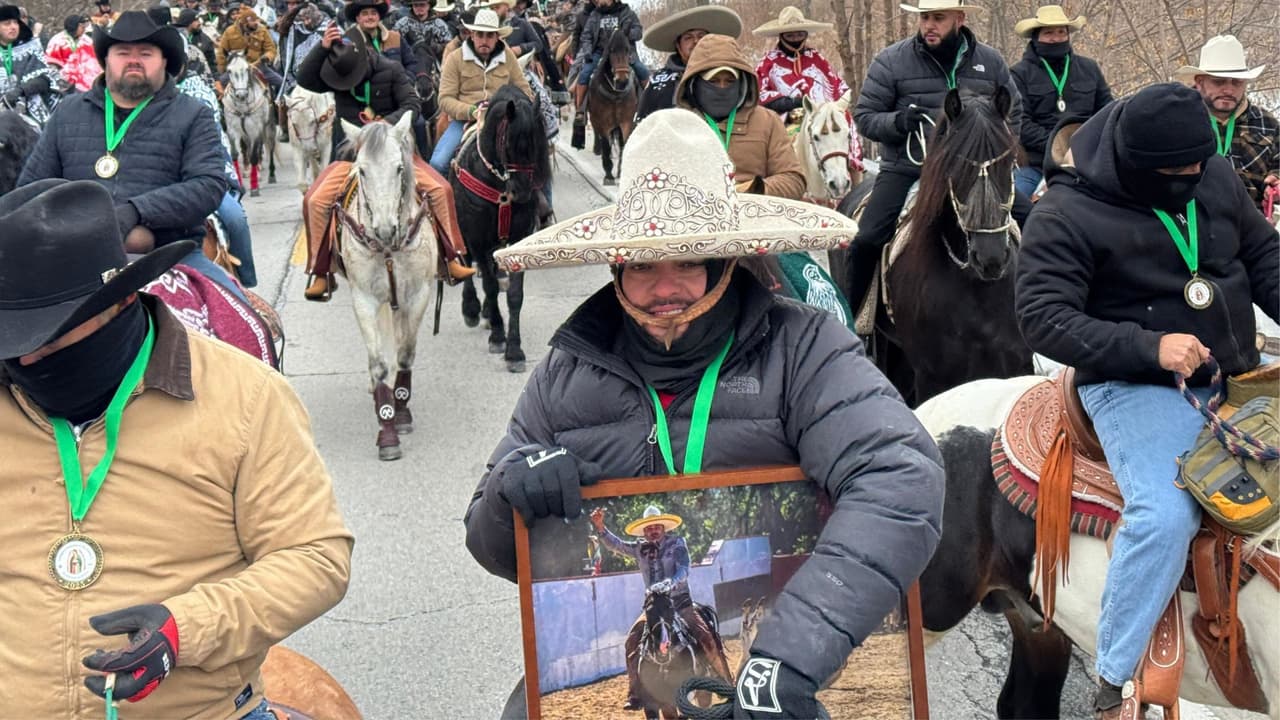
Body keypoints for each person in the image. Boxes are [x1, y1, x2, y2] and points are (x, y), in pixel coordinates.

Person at [465, 108, 944, 719]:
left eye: (689, 262)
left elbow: (902, 478)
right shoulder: (564, 372)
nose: (666, 288)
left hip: (786, 662)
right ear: (616, 267)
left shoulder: (804, 348)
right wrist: (509, 497)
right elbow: (493, 547)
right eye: (642, 265)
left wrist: (789, 660)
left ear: (725, 262)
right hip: (653, 609)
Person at [0, 178, 353, 720]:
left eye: (49, 335)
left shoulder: (249, 397)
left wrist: (186, 627)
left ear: (117, 301)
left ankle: (334, 264)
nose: (25, 362)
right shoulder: (68, 113)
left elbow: (316, 558)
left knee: (244, 218)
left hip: (200, 712)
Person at [1015, 83, 1279, 719]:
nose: (1194, 177)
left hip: (1236, 367)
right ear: (1135, 163)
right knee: (1165, 513)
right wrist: (1147, 346)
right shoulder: (1065, 212)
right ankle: (1114, 678)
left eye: (1199, 164)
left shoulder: (1211, 172)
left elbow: (1264, 255)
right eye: (1179, 171)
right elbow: (1042, 318)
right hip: (1133, 381)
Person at [18, 11, 235, 298]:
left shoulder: (194, 114)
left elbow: (207, 185)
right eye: (122, 52)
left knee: (241, 326)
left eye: (146, 53)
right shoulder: (68, 112)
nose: (133, 60)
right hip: (75, 256)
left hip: (171, 254)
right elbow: (31, 188)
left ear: (164, 62)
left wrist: (136, 211)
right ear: (106, 60)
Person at [847, 0, 1022, 317]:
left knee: (1036, 221)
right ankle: (850, 321)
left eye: (938, 18)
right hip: (908, 168)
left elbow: (1013, 111)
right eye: (924, 18)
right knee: (867, 239)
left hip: (976, 173)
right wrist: (898, 122)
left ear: (959, 19)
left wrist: (997, 152)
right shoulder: (891, 61)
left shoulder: (990, 62)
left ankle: (1038, 313)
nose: (929, 25)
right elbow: (865, 117)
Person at [297, 26, 475, 299]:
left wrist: (384, 128)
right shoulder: (338, 73)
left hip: (395, 152)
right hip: (351, 156)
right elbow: (304, 78)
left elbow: (412, 103)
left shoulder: (391, 69)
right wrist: (321, 48)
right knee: (314, 200)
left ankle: (452, 258)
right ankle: (321, 271)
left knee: (441, 190)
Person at [590, 505, 734, 711]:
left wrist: (671, 582)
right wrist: (601, 528)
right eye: (648, 529)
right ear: (644, 531)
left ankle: (725, 683)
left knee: (706, 636)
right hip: (654, 607)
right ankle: (635, 692)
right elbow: (617, 545)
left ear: (663, 527)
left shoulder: (677, 543)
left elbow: (684, 569)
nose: (653, 531)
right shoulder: (640, 548)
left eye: (656, 527)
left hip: (680, 603)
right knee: (632, 641)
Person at [676, 34, 803, 200]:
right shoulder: (676, 125)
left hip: (758, 218)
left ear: (742, 83)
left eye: (730, 81)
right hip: (695, 219)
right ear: (695, 84)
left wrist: (752, 191)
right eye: (713, 81)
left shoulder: (767, 121)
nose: (722, 87)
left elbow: (793, 180)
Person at [1010, 5, 1111, 199]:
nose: (1056, 38)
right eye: (1049, 33)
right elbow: (1020, 123)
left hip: (1088, 164)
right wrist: (1058, 147)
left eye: (1061, 32)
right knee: (1015, 203)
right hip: (1036, 166)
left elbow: (1107, 111)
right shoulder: (1018, 74)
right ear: (1036, 37)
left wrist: (1082, 145)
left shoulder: (1089, 69)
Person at [752, 6, 863, 176]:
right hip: (787, 114)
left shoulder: (817, 58)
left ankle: (854, 173)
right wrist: (792, 102)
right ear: (782, 36)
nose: (795, 38)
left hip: (822, 111)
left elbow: (835, 85)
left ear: (805, 34)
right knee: (789, 130)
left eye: (799, 34)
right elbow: (759, 94)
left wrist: (835, 105)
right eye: (790, 35)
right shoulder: (768, 62)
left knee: (845, 123)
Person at [1174, 34, 1279, 213]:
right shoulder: (1177, 119)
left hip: (1252, 229)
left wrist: (1276, 180)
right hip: (1190, 227)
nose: (1229, 89)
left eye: (1236, 82)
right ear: (1200, 82)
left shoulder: (1267, 123)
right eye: (1219, 81)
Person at [430, 8, 533, 174]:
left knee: (533, 164)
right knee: (438, 164)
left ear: (497, 37)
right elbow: (445, 99)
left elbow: (524, 91)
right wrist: (470, 111)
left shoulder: (508, 57)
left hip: (505, 120)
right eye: (480, 34)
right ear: (472, 34)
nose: (484, 40)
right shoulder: (455, 58)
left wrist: (513, 111)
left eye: (490, 35)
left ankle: (543, 198)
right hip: (465, 120)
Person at [635, 4, 740, 122]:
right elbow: (645, 124)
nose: (696, 41)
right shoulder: (659, 82)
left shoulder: (728, 73)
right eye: (688, 37)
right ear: (678, 46)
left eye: (702, 36)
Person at [568, 0, 646, 140]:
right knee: (585, 74)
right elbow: (586, 36)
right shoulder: (595, 15)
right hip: (600, 52)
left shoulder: (626, 12)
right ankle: (581, 110)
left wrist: (625, 34)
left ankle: (648, 106)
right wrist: (587, 52)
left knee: (642, 71)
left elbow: (638, 31)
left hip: (622, 51)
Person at [0, 4, 58, 122]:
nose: (13, 27)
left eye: (15, 22)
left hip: (29, 106)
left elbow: (44, 80)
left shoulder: (31, 47)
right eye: (7, 24)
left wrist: (20, 91)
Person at [216, 6, 282, 96]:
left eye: (256, 20)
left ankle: (278, 105)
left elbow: (271, 49)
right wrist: (223, 69)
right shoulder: (230, 32)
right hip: (237, 69)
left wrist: (267, 57)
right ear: (244, 23)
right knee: (219, 86)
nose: (256, 23)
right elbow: (221, 53)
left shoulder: (262, 30)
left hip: (258, 66)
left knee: (281, 83)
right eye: (253, 21)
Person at [343, 0, 417, 76]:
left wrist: (406, 82)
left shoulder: (395, 37)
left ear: (379, 17)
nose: (370, 17)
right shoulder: (350, 42)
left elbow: (411, 63)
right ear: (358, 18)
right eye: (365, 14)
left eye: (374, 13)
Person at [44, 14, 101, 93]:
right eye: (81, 26)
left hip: (85, 83)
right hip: (63, 83)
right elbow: (51, 65)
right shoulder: (57, 41)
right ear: (73, 26)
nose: (84, 29)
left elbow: (94, 62)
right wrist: (60, 80)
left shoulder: (87, 41)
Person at [176, 8, 219, 72]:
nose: (199, 23)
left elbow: (212, 63)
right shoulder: (175, 38)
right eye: (196, 20)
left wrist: (216, 78)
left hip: (200, 76)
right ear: (188, 22)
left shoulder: (204, 39)